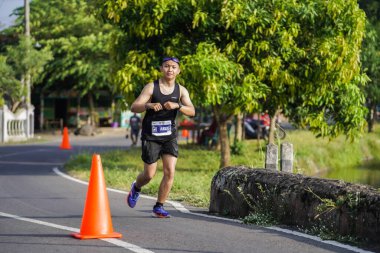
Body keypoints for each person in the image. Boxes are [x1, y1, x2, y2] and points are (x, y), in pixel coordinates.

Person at [127, 56, 195, 218]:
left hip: (169, 136)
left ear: (178, 71)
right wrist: (147, 105)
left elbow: (192, 111)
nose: (170, 69)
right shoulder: (151, 87)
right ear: (161, 68)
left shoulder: (181, 90)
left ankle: (159, 206)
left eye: (173, 67)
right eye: (166, 66)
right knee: (149, 175)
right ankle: (136, 187)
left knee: (169, 171)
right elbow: (134, 107)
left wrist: (178, 105)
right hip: (151, 135)